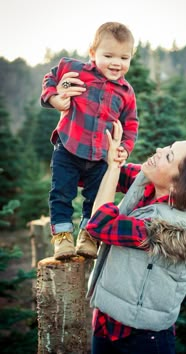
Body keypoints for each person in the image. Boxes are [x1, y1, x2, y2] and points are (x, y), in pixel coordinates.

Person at [85, 121, 186, 354]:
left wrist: (113, 168)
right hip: (107, 323)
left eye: (168, 157)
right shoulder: (153, 183)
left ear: (178, 187)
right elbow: (100, 175)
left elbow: (100, 224)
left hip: (141, 339)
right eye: (168, 147)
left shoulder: (166, 231)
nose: (158, 151)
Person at [40, 22, 138, 260]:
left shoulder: (126, 92)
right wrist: (54, 98)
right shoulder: (76, 69)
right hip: (69, 147)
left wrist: (124, 148)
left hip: (100, 156)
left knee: (95, 198)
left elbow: (131, 125)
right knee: (61, 192)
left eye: (124, 57)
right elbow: (51, 77)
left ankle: (88, 236)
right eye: (109, 55)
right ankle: (63, 237)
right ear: (93, 53)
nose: (117, 63)